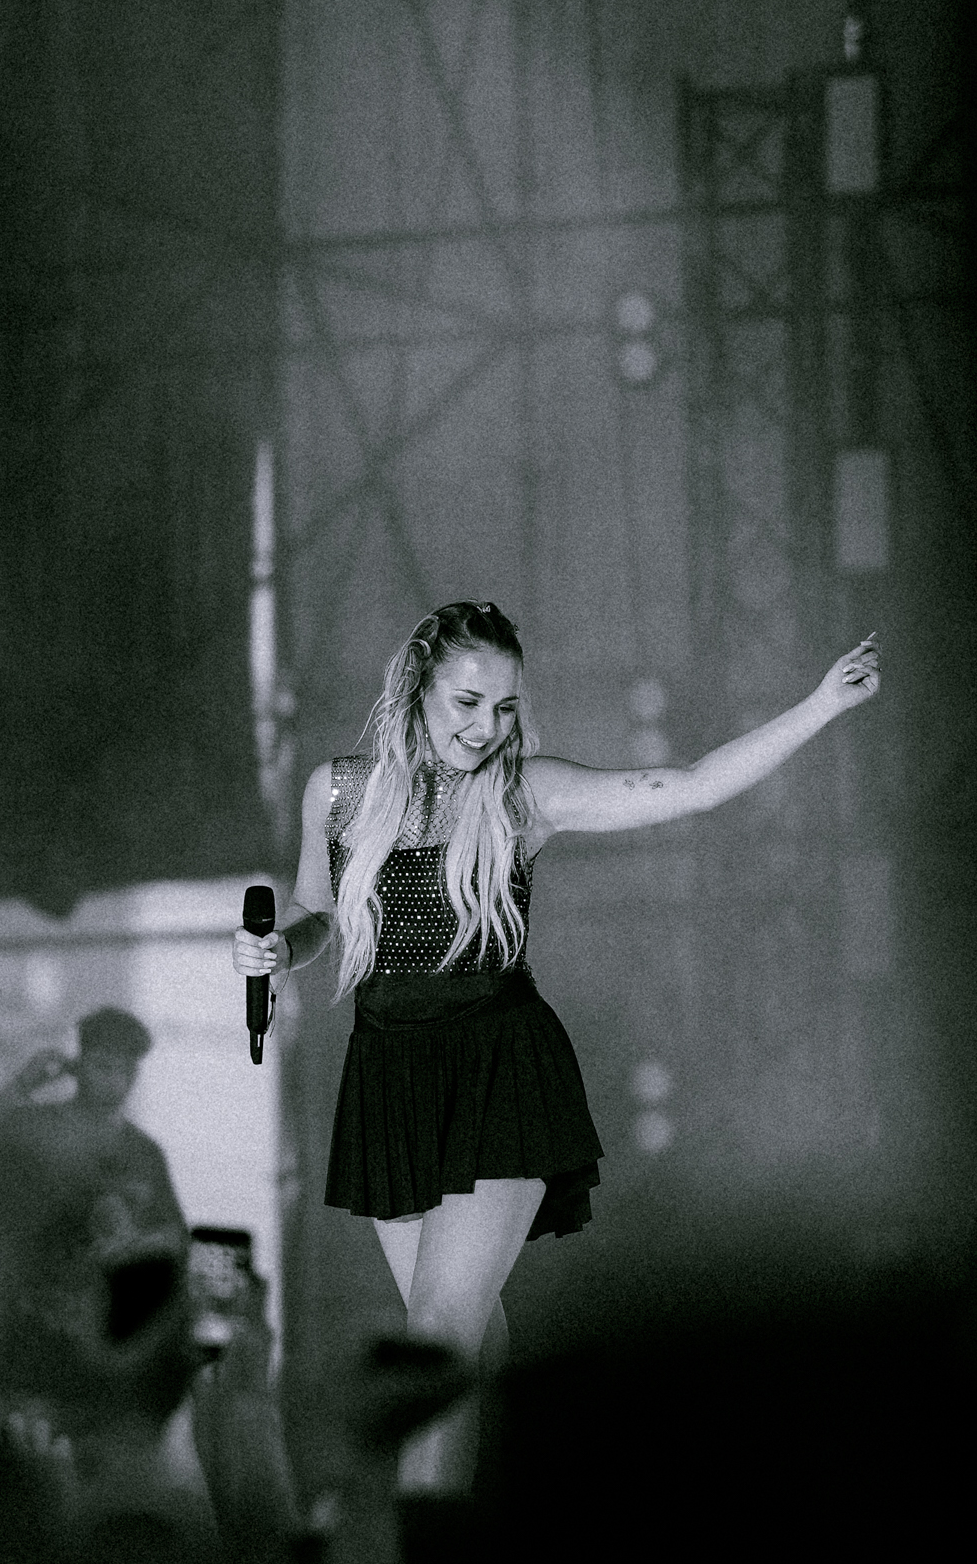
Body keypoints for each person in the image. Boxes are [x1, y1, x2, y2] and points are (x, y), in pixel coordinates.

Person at [232, 600, 880, 1495]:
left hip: (499, 1069)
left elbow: (688, 785)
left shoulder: (522, 793)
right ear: (417, 688)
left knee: (436, 1339)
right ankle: (506, 1519)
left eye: (504, 708)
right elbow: (314, 911)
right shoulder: (338, 792)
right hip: (391, 1076)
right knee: (471, 1348)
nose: (485, 728)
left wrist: (821, 704)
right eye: (467, 702)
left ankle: (416, 1551)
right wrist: (278, 947)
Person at [0, 1008, 201, 1517]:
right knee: (21, 1480)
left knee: (99, 1486)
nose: (115, 1082)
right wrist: (22, 1086)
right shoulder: (38, 1128)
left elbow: (175, 1241)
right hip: (31, 1331)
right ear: (79, 1064)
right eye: (103, 1066)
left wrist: (132, 1241)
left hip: (104, 1349)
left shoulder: (144, 1154)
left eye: (126, 1070)